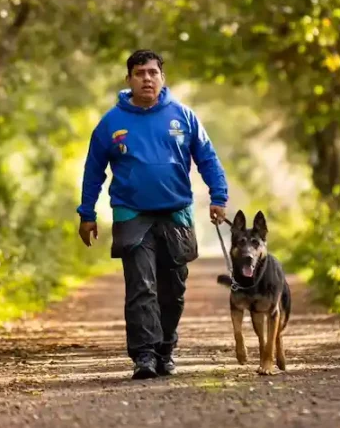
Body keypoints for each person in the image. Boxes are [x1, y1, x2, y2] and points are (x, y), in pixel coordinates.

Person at [78, 49, 229, 380]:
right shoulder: (111, 123)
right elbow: (93, 171)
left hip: (176, 213)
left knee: (173, 290)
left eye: (152, 72)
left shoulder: (184, 117)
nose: (147, 78)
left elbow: (208, 159)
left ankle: (165, 350)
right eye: (140, 73)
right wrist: (86, 212)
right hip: (131, 214)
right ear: (129, 79)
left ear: (162, 77)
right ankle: (144, 355)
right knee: (141, 286)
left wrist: (219, 197)